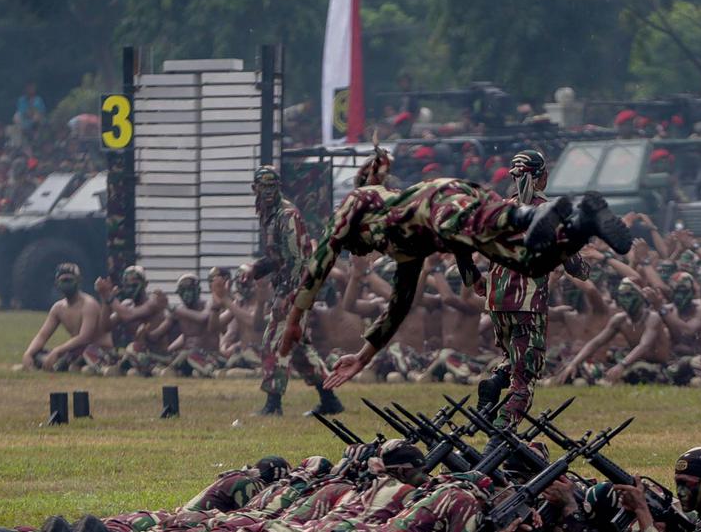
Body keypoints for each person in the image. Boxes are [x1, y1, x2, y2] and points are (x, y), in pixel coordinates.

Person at [277, 152, 632, 389]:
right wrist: (365, 355)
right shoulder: (405, 250)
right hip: (464, 221)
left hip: (443, 201)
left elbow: (321, 257)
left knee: (467, 224)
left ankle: (530, 215)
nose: (371, 249)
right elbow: (399, 305)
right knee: (527, 260)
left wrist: (295, 316)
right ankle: (581, 221)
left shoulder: (361, 200)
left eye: (364, 243)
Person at [478, 149, 588, 427]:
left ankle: (493, 384)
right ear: (543, 177)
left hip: (497, 301)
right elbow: (572, 261)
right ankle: (500, 438)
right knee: (524, 379)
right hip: (526, 301)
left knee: (511, 357)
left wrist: (476, 281)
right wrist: (584, 269)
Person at [243, 165, 337, 416]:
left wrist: (289, 295)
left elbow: (299, 261)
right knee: (298, 347)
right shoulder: (269, 214)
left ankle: (273, 405)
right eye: (263, 186)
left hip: (295, 288)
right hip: (290, 286)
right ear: (255, 188)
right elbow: (277, 258)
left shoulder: (287, 216)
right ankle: (330, 399)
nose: (268, 191)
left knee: (274, 341)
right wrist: (254, 269)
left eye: (273, 186)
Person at [19, 263, 109, 372]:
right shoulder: (58, 308)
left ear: (78, 280)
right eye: (63, 280)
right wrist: (29, 353)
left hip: (93, 349)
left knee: (78, 354)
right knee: (38, 354)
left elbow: (85, 337)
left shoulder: (89, 305)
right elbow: (42, 335)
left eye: (69, 280)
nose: (66, 284)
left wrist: (57, 351)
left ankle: (71, 365)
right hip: (74, 350)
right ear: (57, 283)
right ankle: (52, 364)